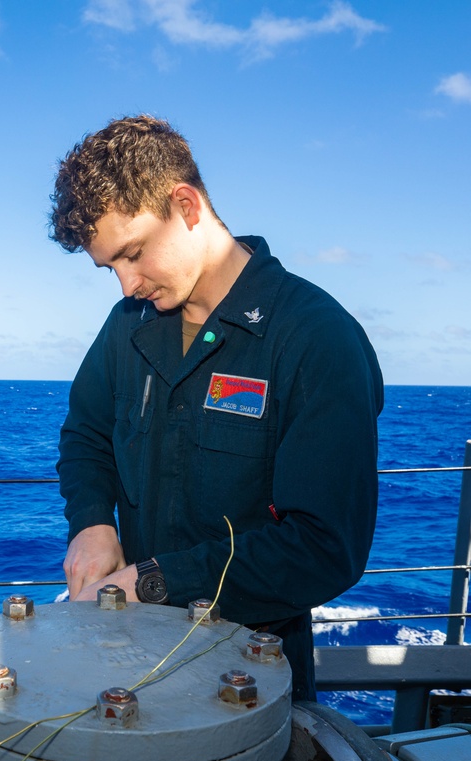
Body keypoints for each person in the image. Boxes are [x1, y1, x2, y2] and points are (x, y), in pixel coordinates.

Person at [49, 115, 383, 701]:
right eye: (110, 267)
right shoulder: (129, 325)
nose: (126, 286)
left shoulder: (316, 337)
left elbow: (324, 548)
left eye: (133, 254)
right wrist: (93, 523)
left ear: (187, 205)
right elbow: (86, 435)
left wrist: (154, 583)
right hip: (134, 663)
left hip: (253, 674)